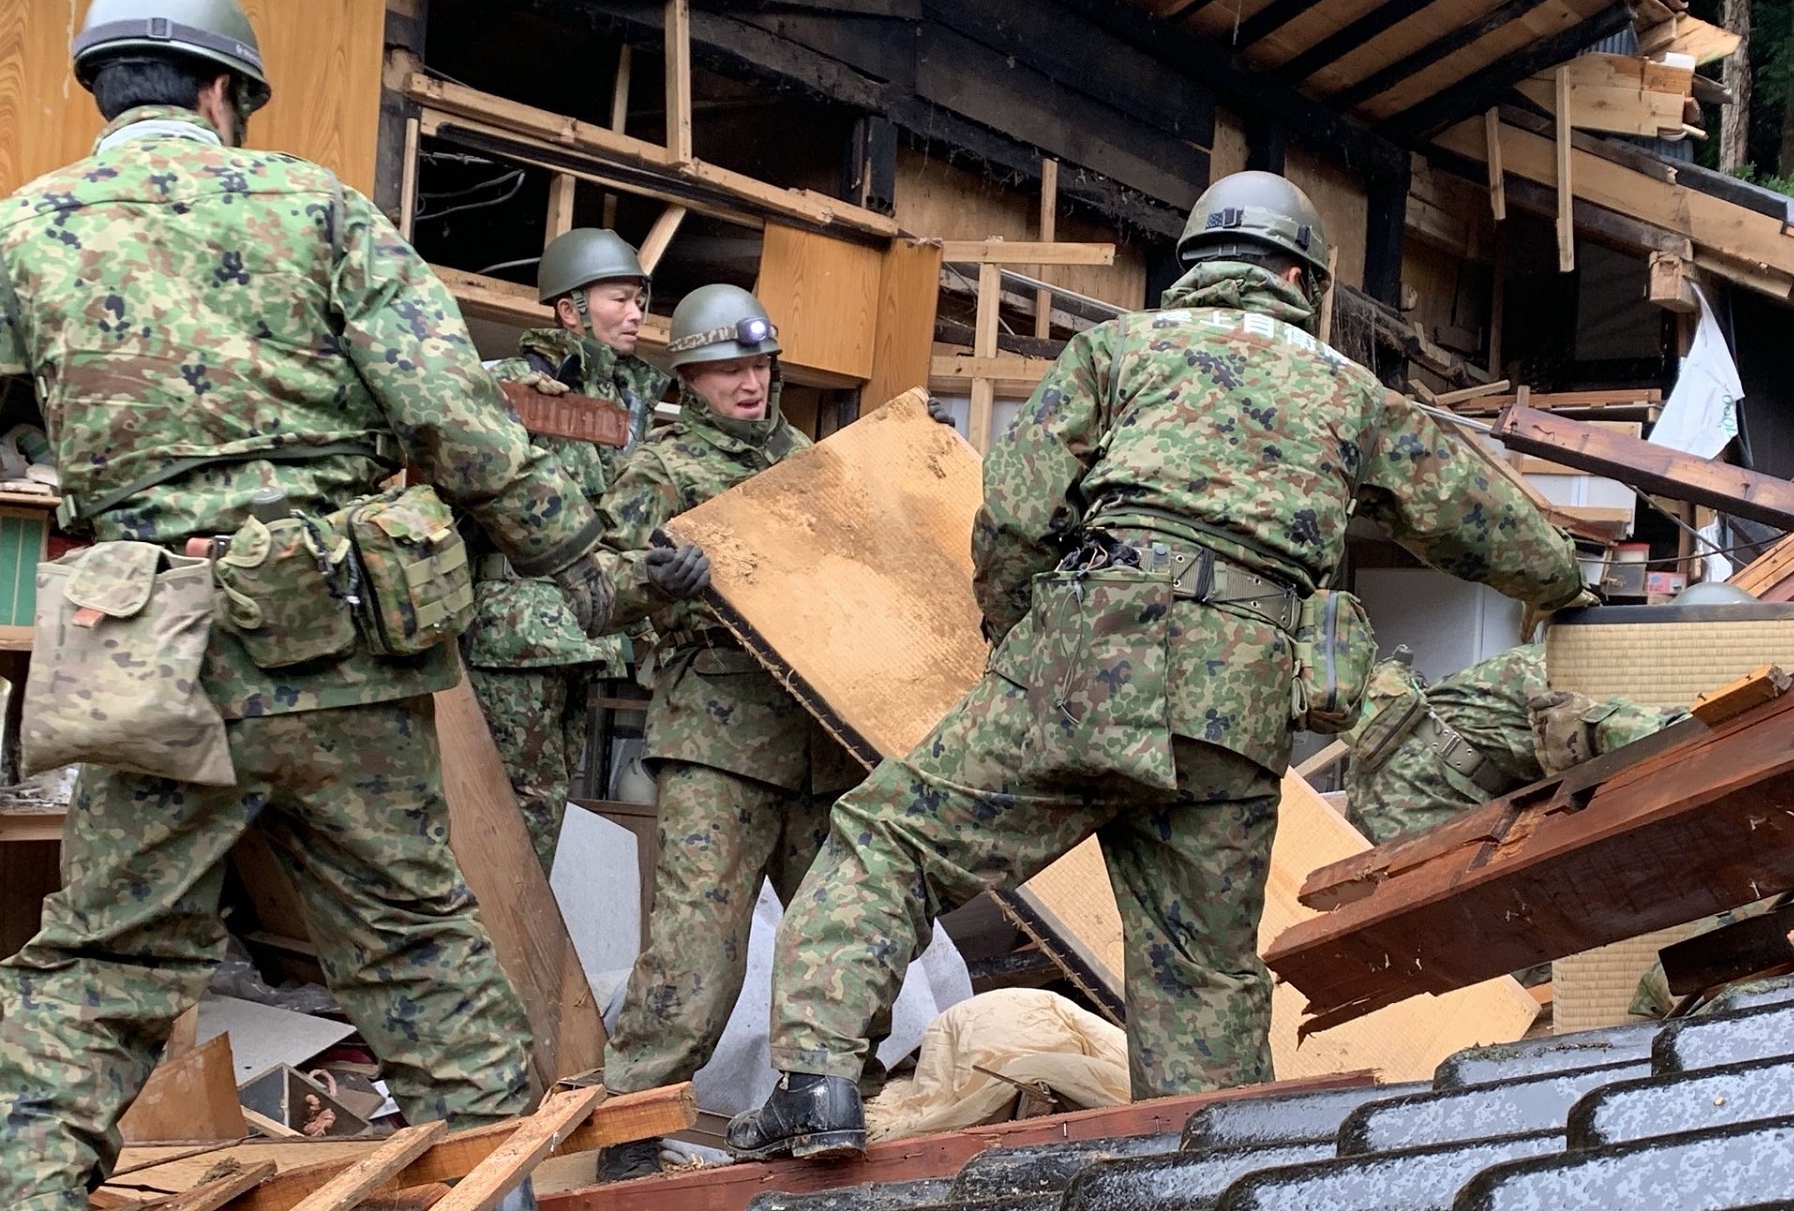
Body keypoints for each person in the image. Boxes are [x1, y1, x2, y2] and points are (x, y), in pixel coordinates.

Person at [726, 170, 1589, 1162]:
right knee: (1202, 972)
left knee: (889, 840)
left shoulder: (1118, 350)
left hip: (1094, 654)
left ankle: (820, 1082)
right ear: (1302, 280)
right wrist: (1566, 581)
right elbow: (1489, 526)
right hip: (1238, 706)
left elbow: (1012, 510)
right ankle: (1228, 1170)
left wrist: (1022, 639)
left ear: (1194, 269)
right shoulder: (1350, 395)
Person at [0, 0, 613, 1211]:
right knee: (417, 945)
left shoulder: (26, 228)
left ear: (106, 90)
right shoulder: (314, 207)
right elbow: (455, 415)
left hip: (145, 650)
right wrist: (572, 553)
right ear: (227, 90)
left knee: (98, 969)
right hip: (333, 646)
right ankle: (497, 1200)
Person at [589, 284, 868, 1182]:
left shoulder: (807, 461)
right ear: (691, 380)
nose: (747, 385)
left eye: (757, 366)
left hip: (819, 740)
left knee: (840, 934)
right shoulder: (661, 472)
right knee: (696, 951)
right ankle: (626, 1131)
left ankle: (812, 1103)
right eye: (724, 371)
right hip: (716, 739)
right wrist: (660, 580)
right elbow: (595, 590)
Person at [464, 228, 672, 873]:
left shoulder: (628, 403)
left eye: (641, 299)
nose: (636, 312)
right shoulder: (500, 387)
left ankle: (519, 953)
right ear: (568, 309)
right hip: (515, 633)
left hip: (588, 632)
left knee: (551, 806)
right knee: (510, 805)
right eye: (620, 298)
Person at [1340, 643, 1684, 845]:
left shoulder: (1549, 657)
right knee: (1509, 934)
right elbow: (1631, 733)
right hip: (1417, 792)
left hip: (1388, 776)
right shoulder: (1554, 677)